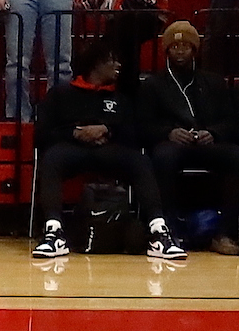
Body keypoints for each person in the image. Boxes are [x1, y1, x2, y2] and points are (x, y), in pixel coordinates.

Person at [29, 49, 186, 259]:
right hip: (71, 148)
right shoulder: (61, 94)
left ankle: (158, 231)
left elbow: (135, 134)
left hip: (109, 149)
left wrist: (108, 130)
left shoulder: (121, 98)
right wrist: (75, 133)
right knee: (51, 159)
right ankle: (53, 231)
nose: (118, 65)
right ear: (95, 65)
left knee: (140, 161)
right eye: (111, 60)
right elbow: (42, 134)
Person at [133, 22, 239, 254]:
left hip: (207, 142)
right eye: (174, 46)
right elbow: (143, 125)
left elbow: (231, 120)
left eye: (185, 46)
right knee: (162, 157)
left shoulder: (213, 82)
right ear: (166, 50)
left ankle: (224, 233)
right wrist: (168, 132)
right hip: (172, 144)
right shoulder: (152, 84)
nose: (180, 52)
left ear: (195, 50)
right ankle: (169, 230)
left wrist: (213, 132)